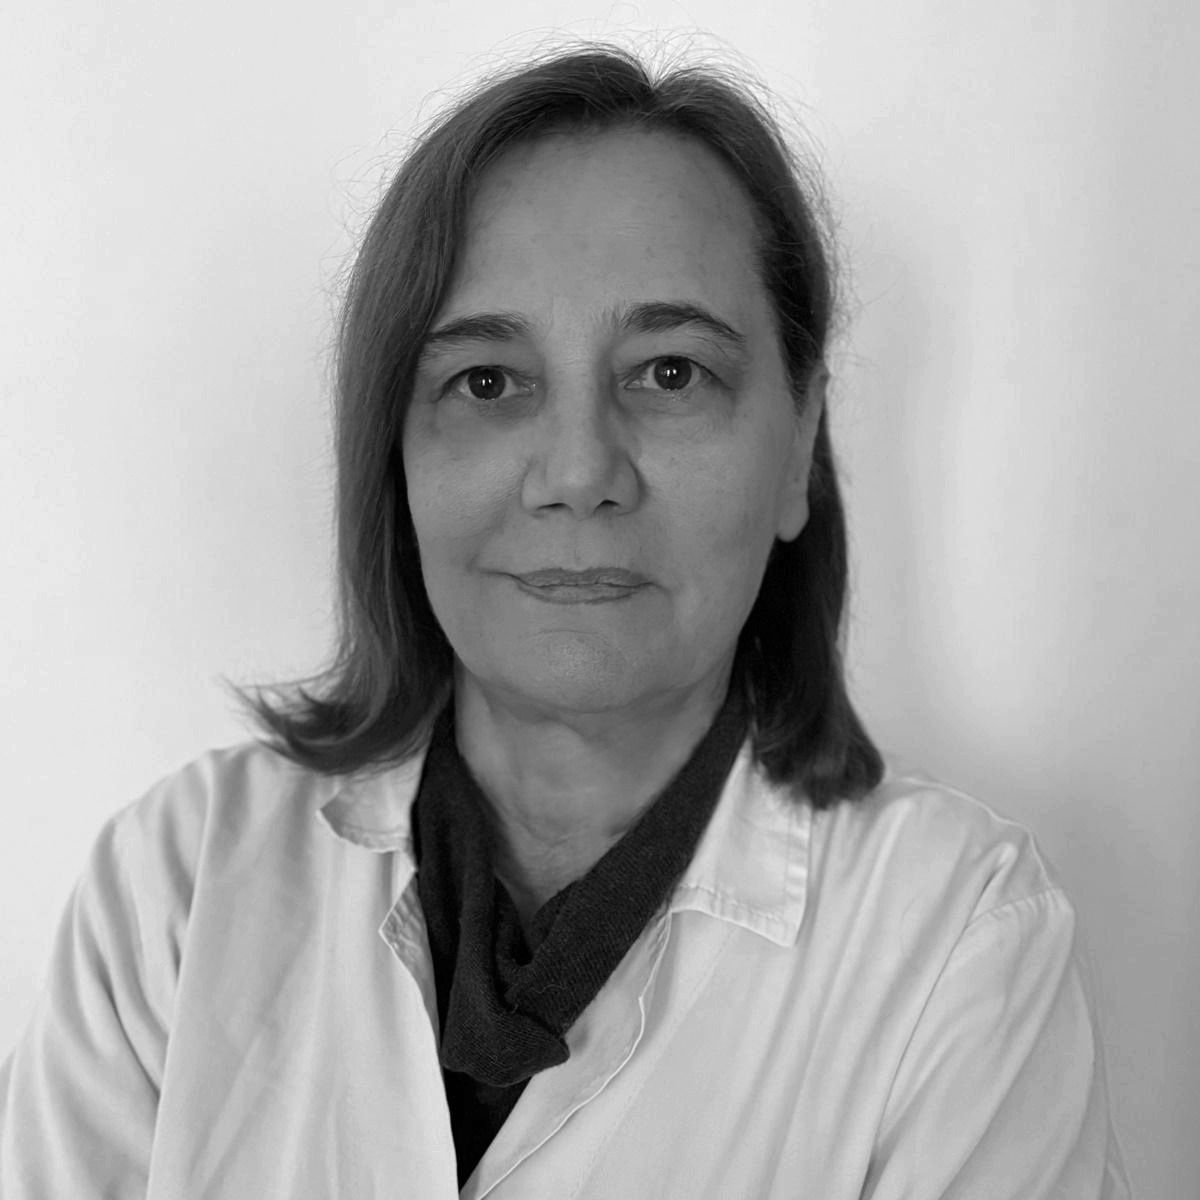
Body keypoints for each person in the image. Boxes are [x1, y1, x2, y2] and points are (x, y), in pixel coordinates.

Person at [0, 42, 1130, 1199]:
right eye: (488, 382)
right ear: (392, 456)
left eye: (671, 372)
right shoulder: (177, 889)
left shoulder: (960, 942)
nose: (580, 473)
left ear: (800, 447)